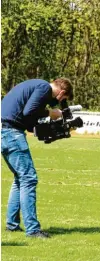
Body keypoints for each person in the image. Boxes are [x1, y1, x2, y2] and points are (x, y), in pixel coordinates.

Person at [1, 78, 74, 238]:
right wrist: (51, 113)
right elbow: (29, 111)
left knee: (20, 178)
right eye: (62, 100)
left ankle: (12, 224)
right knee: (29, 178)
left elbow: (26, 115)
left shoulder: (36, 85)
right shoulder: (44, 88)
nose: (58, 102)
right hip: (11, 133)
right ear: (61, 93)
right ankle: (33, 230)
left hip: (5, 131)